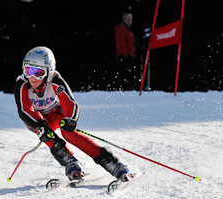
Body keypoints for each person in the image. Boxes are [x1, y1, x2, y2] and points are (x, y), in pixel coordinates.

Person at [14, 46, 132, 181]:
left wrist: (71, 120)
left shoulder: (55, 81)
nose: (32, 78)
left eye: (38, 73)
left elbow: (71, 104)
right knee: (47, 135)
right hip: (37, 119)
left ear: (49, 72)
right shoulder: (22, 83)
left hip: (57, 113)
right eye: (28, 71)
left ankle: (112, 163)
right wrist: (40, 126)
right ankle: (71, 163)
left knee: (69, 133)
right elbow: (24, 110)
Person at [114, 13, 137, 90]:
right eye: (128, 19)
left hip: (130, 54)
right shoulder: (121, 28)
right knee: (124, 73)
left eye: (131, 19)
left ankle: (127, 88)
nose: (130, 21)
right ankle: (123, 88)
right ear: (124, 20)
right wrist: (125, 54)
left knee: (129, 73)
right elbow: (120, 41)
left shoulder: (128, 29)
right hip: (124, 55)